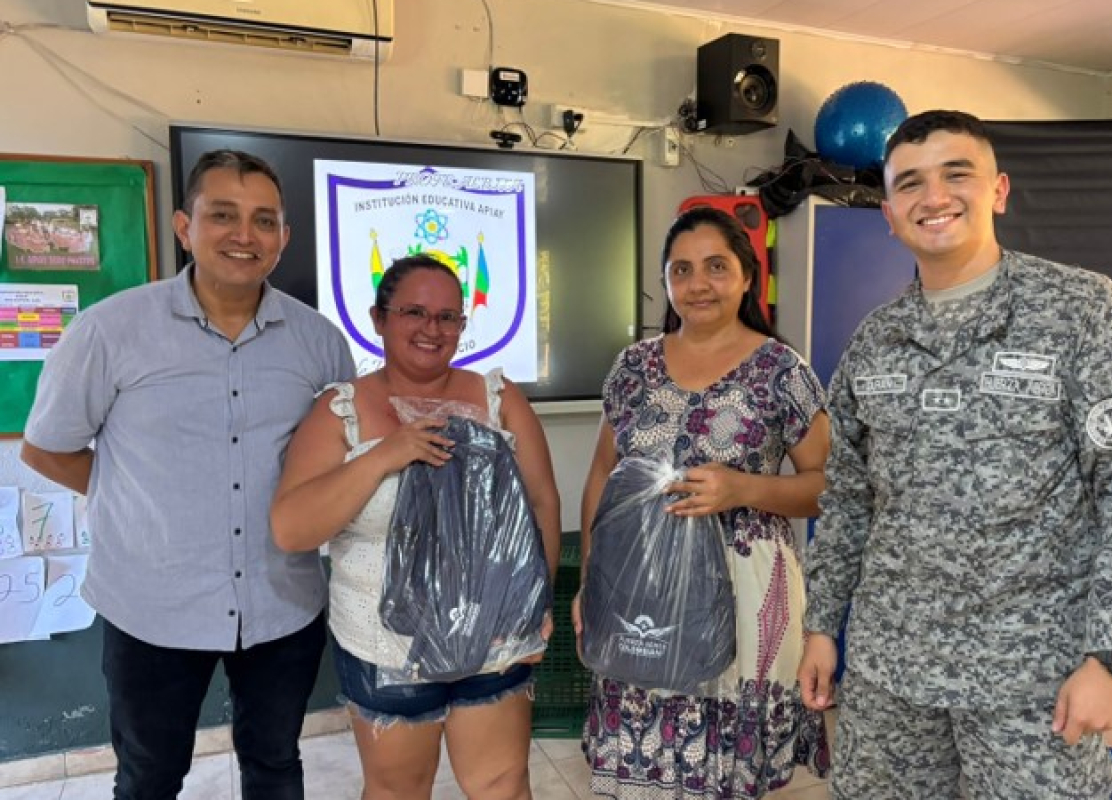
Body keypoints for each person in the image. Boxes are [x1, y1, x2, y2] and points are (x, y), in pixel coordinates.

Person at [798, 109, 1112, 799]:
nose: (934, 196)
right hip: (893, 675)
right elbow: (849, 499)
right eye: (910, 183)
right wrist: (822, 626)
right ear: (888, 214)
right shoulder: (876, 341)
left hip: (1033, 679)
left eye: (956, 173)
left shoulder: (1083, 310)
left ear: (998, 190)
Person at [20, 150, 356, 799]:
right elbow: (45, 449)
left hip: (281, 604)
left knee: (275, 764)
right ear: (184, 227)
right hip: (152, 606)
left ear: (283, 238)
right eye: (222, 214)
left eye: (264, 221)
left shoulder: (319, 343)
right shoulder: (109, 331)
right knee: (149, 777)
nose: (243, 235)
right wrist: (138, 499)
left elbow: (336, 462)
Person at [270, 254, 561, 800]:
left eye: (449, 317)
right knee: (397, 791)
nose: (433, 329)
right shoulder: (340, 411)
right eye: (414, 312)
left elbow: (542, 505)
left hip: (495, 639)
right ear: (379, 318)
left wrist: (532, 606)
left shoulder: (499, 400)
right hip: (388, 648)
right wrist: (386, 455)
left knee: (501, 784)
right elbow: (292, 529)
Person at [574, 206, 832, 798]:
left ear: (746, 276)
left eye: (716, 266)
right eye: (681, 270)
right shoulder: (633, 366)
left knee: (725, 773)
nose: (698, 284)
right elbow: (599, 477)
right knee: (641, 764)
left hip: (745, 591)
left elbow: (830, 486)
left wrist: (744, 488)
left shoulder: (780, 371)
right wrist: (592, 577)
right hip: (637, 587)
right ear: (666, 282)